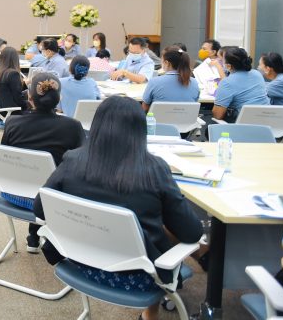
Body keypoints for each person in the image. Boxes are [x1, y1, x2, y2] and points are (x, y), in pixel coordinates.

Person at [33, 96, 203, 320]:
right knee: (162, 228)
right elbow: (192, 232)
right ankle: (151, 313)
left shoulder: (72, 160)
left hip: (79, 264)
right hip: (138, 278)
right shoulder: (154, 169)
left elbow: (39, 208)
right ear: (139, 131)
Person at [0, 73, 84, 251]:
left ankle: (33, 236)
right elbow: (82, 164)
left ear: (29, 98)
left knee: (37, 177)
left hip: (14, 194)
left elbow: (3, 158)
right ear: (60, 98)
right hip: (53, 199)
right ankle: (41, 236)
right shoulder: (73, 127)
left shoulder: (12, 123)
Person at [212, 47, 270, 123]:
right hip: (266, 122)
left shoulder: (227, 82)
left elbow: (218, 115)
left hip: (243, 125)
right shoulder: (257, 74)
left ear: (228, 66)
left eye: (222, 60)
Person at [0, 47, 27, 120]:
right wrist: (30, 104)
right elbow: (18, 99)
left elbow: (8, 89)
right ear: (15, 59)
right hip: (12, 113)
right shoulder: (13, 74)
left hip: (1, 111)